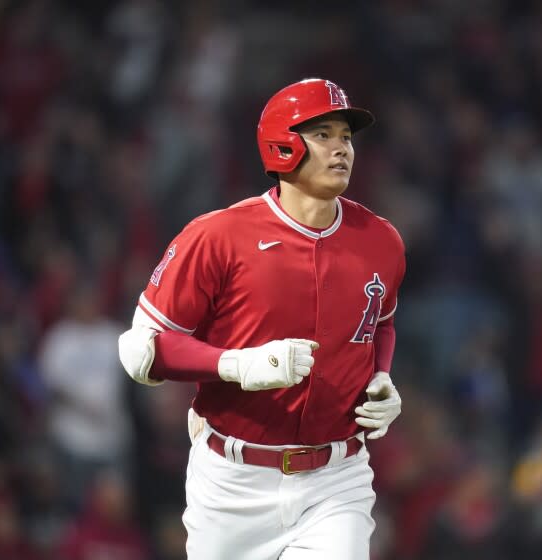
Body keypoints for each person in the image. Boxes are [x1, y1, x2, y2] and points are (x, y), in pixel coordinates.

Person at [119, 78, 405, 559]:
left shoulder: (381, 239)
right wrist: (237, 365)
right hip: (233, 484)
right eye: (324, 134)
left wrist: (382, 377)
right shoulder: (219, 235)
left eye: (347, 137)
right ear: (283, 144)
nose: (342, 149)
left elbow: (381, 323)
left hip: (337, 480)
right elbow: (140, 350)